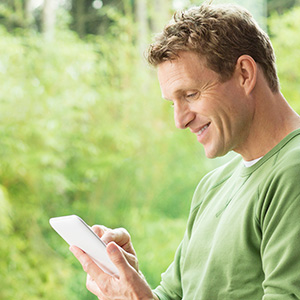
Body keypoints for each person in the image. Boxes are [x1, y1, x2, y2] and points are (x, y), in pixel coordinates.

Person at [70, 3, 300, 299]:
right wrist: (130, 283)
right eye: (172, 102)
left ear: (244, 73)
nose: (180, 120)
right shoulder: (213, 186)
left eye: (190, 94)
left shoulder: (292, 173)